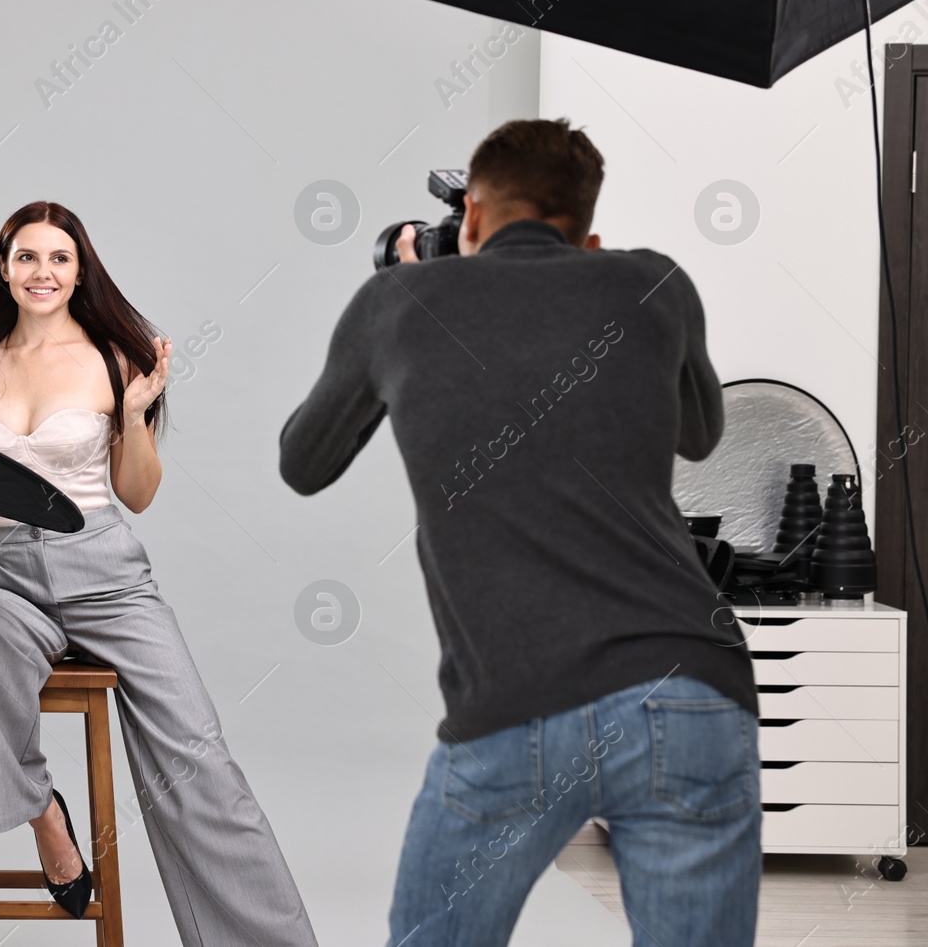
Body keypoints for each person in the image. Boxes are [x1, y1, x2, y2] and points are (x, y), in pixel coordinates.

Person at [279, 119, 761, 946]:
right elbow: (702, 431)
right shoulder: (653, 283)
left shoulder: (398, 302)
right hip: (691, 687)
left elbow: (304, 460)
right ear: (590, 234)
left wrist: (412, 299)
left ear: (469, 216)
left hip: (515, 706)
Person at [0, 201, 317, 944]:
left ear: (80, 271)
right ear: (2, 266)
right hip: (2, 572)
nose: (42, 272)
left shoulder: (115, 359)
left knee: (202, 764)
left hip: (107, 577)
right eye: (27, 257)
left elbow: (139, 494)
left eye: (58, 258)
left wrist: (138, 414)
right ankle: (46, 817)